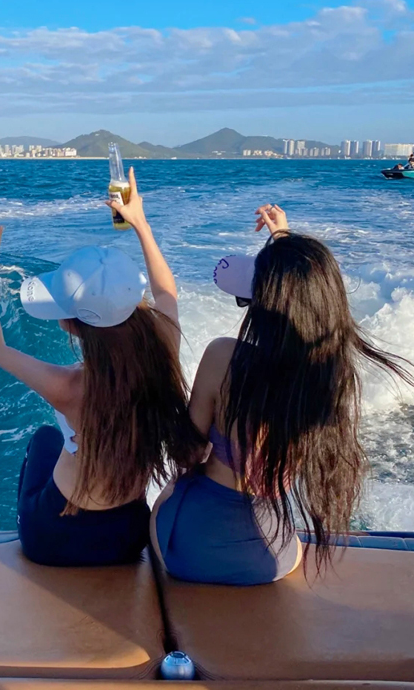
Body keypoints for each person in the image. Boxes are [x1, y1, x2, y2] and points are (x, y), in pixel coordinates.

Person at [151, 203, 413, 585]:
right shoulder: (330, 378)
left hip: (190, 549)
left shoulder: (224, 357)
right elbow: (308, 303)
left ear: (262, 308)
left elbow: (186, 455)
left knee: (166, 496)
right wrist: (282, 239)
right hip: (271, 556)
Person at [0, 168, 203, 567]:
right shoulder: (162, 350)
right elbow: (166, 292)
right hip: (128, 536)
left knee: (45, 438)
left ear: (70, 324)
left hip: (53, 538)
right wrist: (140, 223)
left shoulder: (71, 386)